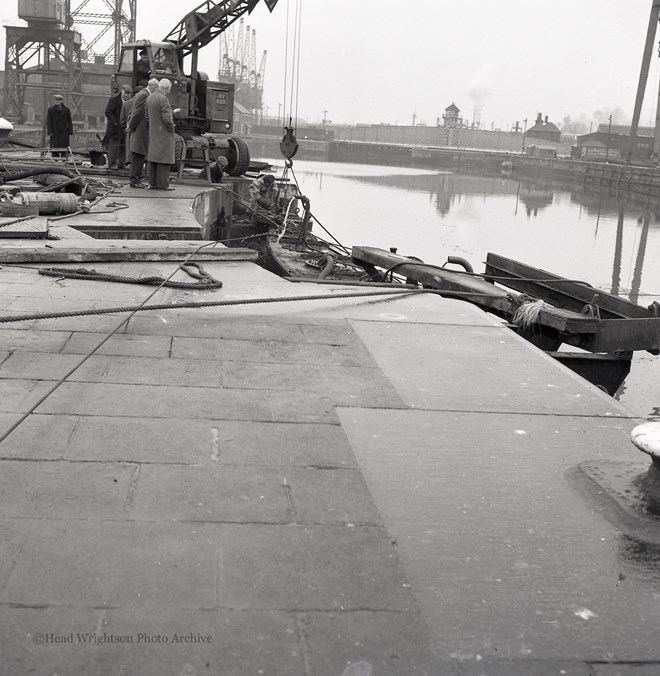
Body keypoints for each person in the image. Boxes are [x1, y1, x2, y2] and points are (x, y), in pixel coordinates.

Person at [127, 78, 158, 188]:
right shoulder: (145, 95)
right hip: (140, 129)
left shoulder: (141, 93)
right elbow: (138, 113)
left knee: (138, 154)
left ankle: (135, 179)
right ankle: (135, 180)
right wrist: (131, 126)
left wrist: (130, 125)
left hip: (138, 128)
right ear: (153, 87)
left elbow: (133, 111)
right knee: (138, 155)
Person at [145, 78, 176, 190]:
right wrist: (172, 128)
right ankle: (163, 185)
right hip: (164, 134)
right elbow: (167, 118)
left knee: (154, 158)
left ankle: (153, 183)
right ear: (167, 88)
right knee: (164, 158)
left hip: (154, 132)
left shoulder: (150, 97)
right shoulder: (163, 99)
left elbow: (147, 116)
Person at [105, 84, 131, 169]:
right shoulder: (114, 100)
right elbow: (108, 111)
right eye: (125, 93)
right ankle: (111, 163)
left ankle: (122, 163)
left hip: (123, 128)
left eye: (128, 93)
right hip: (114, 128)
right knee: (114, 146)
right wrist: (114, 122)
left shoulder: (128, 102)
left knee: (123, 146)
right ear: (122, 91)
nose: (126, 95)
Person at [46, 94, 73, 160]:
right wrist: (50, 132)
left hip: (64, 134)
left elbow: (69, 121)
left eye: (58, 100)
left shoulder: (67, 110)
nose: (56, 101)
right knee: (55, 151)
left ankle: (65, 163)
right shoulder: (50, 110)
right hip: (54, 133)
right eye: (55, 100)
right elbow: (49, 122)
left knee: (64, 151)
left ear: (61, 101)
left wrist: (70, 131)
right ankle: (55, 165)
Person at [119, 87, 136, 167]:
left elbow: (122, 119)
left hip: (127, 130)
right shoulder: (144, 103)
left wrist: (124, 128)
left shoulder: (126, 104)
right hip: (139, 131)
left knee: (128, 148)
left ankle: (128, 163)